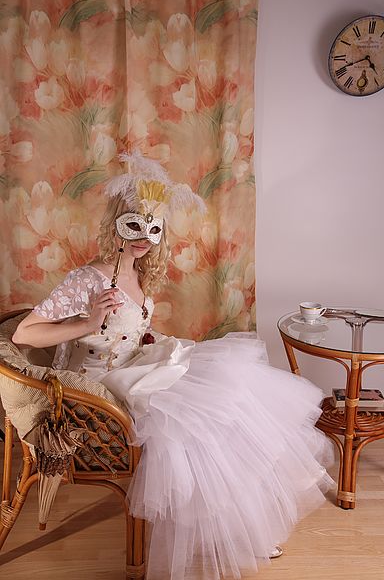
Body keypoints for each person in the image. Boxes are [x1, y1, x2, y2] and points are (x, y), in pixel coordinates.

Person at [12, 153, 335, 580]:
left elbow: (125, 332)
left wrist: (144, 338)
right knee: (196, 418)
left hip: (133, 366)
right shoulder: (87, 279)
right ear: (116, 225)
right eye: (134, 225)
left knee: (229, 395)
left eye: (154, 228)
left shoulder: (136, 273)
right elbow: (24, 335)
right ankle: (233, 532)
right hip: (97, 388)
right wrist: (85, 321)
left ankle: (238, 527)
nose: (144, 237)